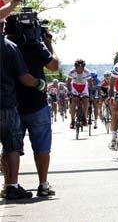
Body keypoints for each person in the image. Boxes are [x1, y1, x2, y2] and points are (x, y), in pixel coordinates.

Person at [4, 13, 59, 197]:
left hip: (13, 105)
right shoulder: (38, 45)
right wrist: (50, 43)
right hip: (37, 104)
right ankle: (43, 184)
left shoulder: (7, 46)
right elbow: (54, 66)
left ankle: (10, 184)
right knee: (42, 146)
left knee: (11, 147)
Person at [0, 19, 46, 199]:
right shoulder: (9, 47)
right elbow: (24, 77)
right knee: (11, 146)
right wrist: (39, 83)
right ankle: (12, 185)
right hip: (5, 104)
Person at [67, 59, 93, 129]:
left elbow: (90, 84)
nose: (80, 70)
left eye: (82, 68)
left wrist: (90, 94)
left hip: (83, 87)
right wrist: (70, 92)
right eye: (78, 68)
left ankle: (84, 117)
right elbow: (68, 83)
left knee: (86, 101)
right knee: (74, 101)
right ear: (75, 67)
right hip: (75, 87)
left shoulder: (87, 72)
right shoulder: (71, 71)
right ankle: (72, 120)